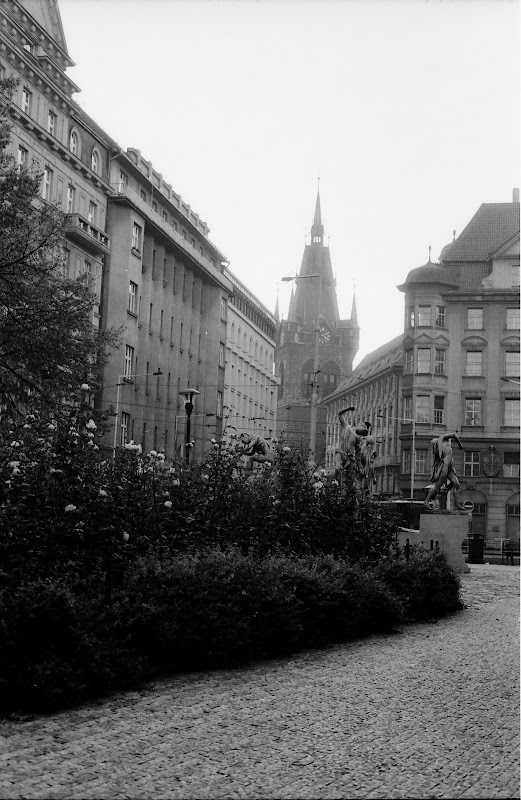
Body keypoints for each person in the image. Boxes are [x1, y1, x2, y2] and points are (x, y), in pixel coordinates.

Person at [424, 432, 463, 508]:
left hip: (449, 467)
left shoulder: (441, 445)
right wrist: (460, 444)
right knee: (438, 486)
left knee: (457, 484)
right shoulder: (441, 442)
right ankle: (426, 501)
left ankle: (457, 504)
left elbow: (453, 435)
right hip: (446, 466)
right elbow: (454, 435)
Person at [335, 406, 371, 478]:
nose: (363, 433)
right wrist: (348, 409)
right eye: (363, 430)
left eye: (364, 432)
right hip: (341, 451)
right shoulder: (347, 427)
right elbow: (339, 414)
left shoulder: (358, 438)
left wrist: (360, 468)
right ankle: (337, 484)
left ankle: (348, 487)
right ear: (359, 426)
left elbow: (358, 455)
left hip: (350, 457)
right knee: (337, 469)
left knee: (350, 477)